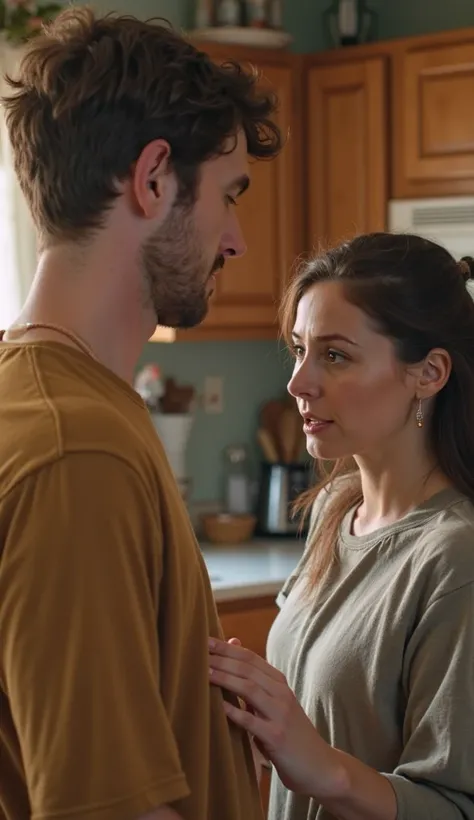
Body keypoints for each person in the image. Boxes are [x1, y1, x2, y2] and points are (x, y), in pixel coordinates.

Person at [0, 6, 282, 820]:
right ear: (154, 178)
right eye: (228, 197)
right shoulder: (75, 452)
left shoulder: (52, 404)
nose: (236, 241)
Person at [209, 232, 474, 820]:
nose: (298, 382)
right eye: (298, 350)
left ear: (429, 373)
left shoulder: (456, 558)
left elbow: (456, 806)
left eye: (334, 355)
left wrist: (319, 765)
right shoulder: (335, 509)